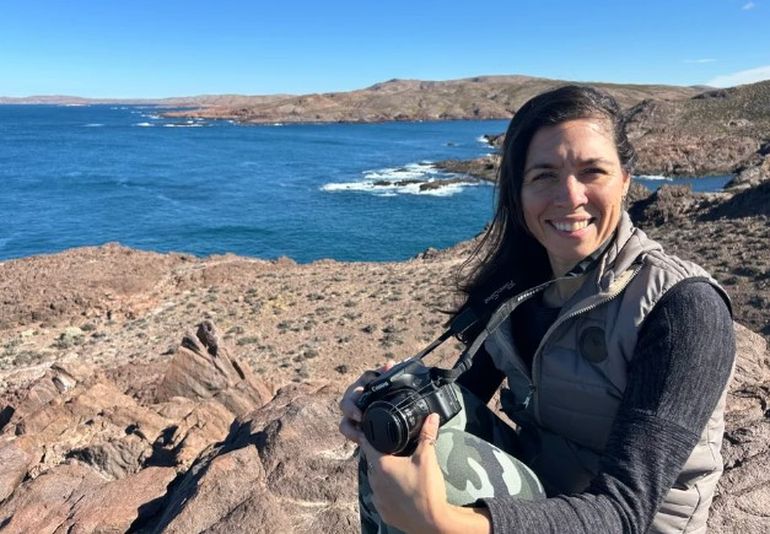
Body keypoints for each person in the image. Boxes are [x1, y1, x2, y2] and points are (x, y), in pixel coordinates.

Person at [338, 85, 735, 534]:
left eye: (592, 171)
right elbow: (459, 395)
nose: (569, 196)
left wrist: (448, 522)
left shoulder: (682, 307)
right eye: (543, 175)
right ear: (519, 191)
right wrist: (387, 400)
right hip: (543, 493)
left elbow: (626, 511)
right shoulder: (520, 284)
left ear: (626, 180)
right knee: (407, 433)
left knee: (437, 465)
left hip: (623, 522)